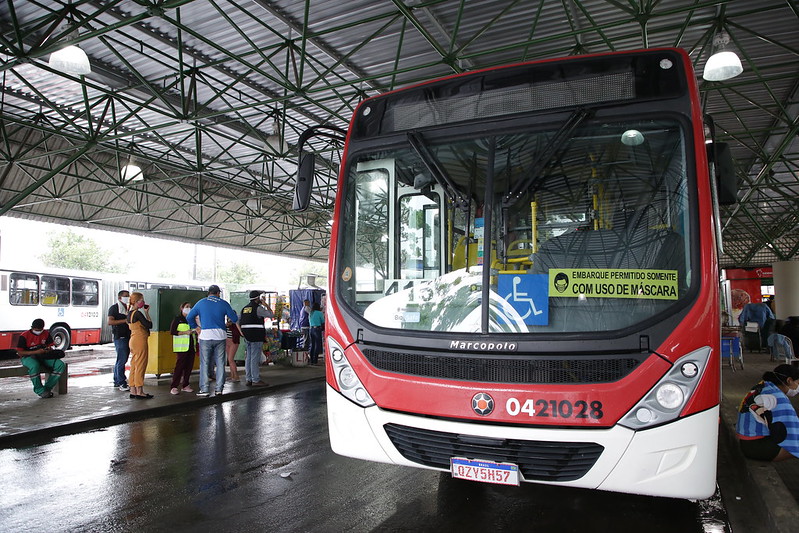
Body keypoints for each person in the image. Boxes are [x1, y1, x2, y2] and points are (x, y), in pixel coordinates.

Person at [736, 364, 799, 462]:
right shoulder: (777, 396)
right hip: (758, 447)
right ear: (789, 380)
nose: (797, 387)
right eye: (797, 383)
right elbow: (790, 426)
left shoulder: (763, 386)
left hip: (747, 443)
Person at [186, 285, 238, 397]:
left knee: (204, 363)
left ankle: (204, 389)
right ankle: (219, 389)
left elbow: (189, 317)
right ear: (218, 293)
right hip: (220, 337)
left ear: (208, 293)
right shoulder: (223, 303)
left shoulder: (201, 302)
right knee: (220, 363)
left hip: (205, 336)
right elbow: (234, 318)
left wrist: (195, 327)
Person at [16, 318, 66, 398]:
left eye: (40, 330)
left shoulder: (46, 333)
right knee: (34, 366)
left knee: (60, 365)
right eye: (36, 330)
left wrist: (49, 348)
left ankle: (47, 388)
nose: (38, 331)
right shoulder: (24, 336)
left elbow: (51, 345)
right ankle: (39, 390)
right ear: (32, 327)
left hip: (43, 356)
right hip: (28, 357)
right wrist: (36, 352)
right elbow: (20, 352)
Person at [239, 290, 274, 386]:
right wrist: (265, 304)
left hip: (247, 336)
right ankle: (256, 379)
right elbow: (271, 315)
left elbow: (239, 320)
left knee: (249, 357)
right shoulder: (258, 308)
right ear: (257, 298)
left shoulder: (244, 309)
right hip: (256, 335)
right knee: (255, 358)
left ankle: (248, 378)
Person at [127, 292, 153, 399]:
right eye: (141, 300)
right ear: (137, 301)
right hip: (140, 340)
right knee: (141, 364)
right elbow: (149, 325)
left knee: (134, 364)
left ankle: (132, 389)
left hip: (132, 340)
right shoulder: (138, 313)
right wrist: (147, 313)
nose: (143, 302)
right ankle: (139, 390)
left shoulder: (130, 313)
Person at [169, 301, 197, 395]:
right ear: (182, 308)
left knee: (189, 367)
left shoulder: (191, 319)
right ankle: (174, 386)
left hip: (191, 346)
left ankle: (186, 385)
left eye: (190, 306)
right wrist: (185, 332)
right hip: (181, 347)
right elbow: (172, 331)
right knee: (179, 367)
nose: (189, 308)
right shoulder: (178, 319)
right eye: (187, 306)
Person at [107, 289, 131, 391]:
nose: (127, 297)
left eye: (128, 295)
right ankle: (121, 382)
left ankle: (117, 380)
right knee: (122, 359)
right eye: (125, 296)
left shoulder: (128, 308)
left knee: (122, 359)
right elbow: (110, 322)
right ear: (119, 297)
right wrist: (124, 321)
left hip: (128, 335)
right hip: (120, 336)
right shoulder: (114, 308)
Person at [225, 316, 242, 383]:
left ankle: (236, 376)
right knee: (230, 360)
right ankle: (232, 376)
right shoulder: (227, 324)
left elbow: (238, 331)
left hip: (233, 342)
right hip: (227, 341)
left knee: (231, 359)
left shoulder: (235, 324)